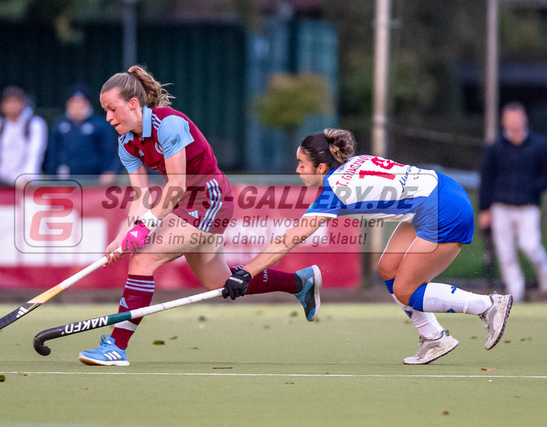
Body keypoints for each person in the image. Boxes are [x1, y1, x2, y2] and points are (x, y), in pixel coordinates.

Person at [78, 65, 321, 366]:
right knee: (218, 282)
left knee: (143, 259)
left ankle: (116, 346)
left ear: (133, 104)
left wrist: (145, 227)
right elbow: (141, 195)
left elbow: (176, 185)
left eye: (112, 109)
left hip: (210, 199)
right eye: (105, 110)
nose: (108, 117)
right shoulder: (127, 141)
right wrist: (122, 236)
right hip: (186, 204)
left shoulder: (169, 125)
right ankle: (300, 282)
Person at [223, 128, 514, 365]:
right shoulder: (354, 161)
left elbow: (288, 240)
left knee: (406, 290)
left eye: (301, 165)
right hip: (442, 190)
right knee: (388, 268)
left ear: (321, 167)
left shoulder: (333, 193)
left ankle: (488, 305)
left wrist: (246, 272)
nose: (296, 170)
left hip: (443, 209)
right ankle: (434, 338)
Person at [479, 102, 547, 303]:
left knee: (530, 245)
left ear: (524, 119)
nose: (515, 123)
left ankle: (545, 278)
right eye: (511, 119)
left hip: (528, 206)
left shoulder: (539, 145)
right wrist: (484, 208)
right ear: (504, 122)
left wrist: (533, 189)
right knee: (506, 252)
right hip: (501, 206)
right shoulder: (495, 148)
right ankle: (515, 294)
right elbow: (487, 179)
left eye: (517, 118)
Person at [43, 83, 121, 185]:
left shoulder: (100, 125)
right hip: (65, 180)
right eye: (74, 102)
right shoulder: (59, 125)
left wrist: (111, 171)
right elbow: (52, 153)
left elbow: (111, 151)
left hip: (94, 180)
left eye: (81, 102)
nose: (77, 106)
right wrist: (51, 176)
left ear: (87, 103)